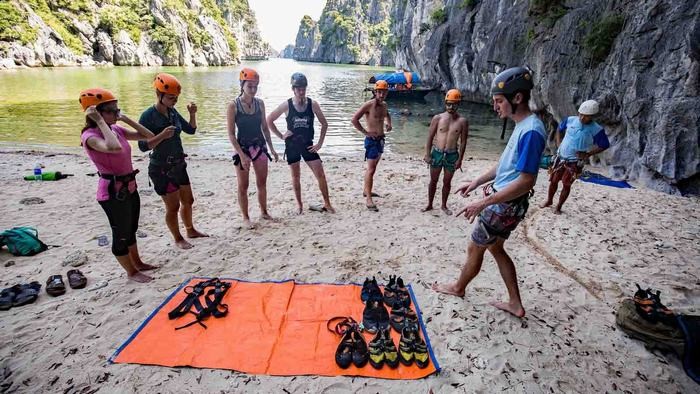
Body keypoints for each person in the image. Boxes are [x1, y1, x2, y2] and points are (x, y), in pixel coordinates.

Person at [432, 67, 547, 318]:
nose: (495, 106)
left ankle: (458, 288)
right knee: (496, 248)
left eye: (498, 101)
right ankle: (515, 303)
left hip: (505, 204)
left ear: (517, 98)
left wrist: (483, 203)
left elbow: (526, 181)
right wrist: (476, 182)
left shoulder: (530, 131)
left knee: (475, 248)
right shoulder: (524, 125)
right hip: (507, 202)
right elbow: (506, 165)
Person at [79, 88, 165, 283]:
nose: (115, 114)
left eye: (117, 110)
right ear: (95, 112)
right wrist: (100, 122)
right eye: (111, 111)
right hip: (112, 192)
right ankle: (131, 272)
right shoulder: (90, 136)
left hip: (130, 187)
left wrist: (124, 118)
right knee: (121, 234)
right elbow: (114, 147)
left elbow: (148, 135)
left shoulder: (116, 129)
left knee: (132, 228)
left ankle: (138, 263)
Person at [138, 73, 207, 250]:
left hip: (178, 164)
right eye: (170, 98)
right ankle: (178, 238)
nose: (174, 101)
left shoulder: (173, 112)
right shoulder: (148, 116)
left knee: (188, 200)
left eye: (176, 98)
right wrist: (161, 136)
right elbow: (142, 146)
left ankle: (190, 230)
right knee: (173, 206)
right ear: (158, 95)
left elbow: (190, 130)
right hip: (161, 167)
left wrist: (192, 114)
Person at [266, 72, 335, 214]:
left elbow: (324, 124)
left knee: (320, 174)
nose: (301, 92)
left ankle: (327, 204)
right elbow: (269, 120)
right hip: (292, 146)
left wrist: (320, 144)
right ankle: (299, 205)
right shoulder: (287, 105)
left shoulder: (312, 104)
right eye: (298, 89)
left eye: (303, 88)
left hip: (308, 145)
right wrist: (281, 136)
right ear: (293, 89)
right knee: (296, 176)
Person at [227, 67, 279, 229]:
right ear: (242, 85)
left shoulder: (260, 104)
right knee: (243, 185)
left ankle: (264, 211)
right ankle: (245, 217)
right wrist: (242, 155)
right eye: (250, 86)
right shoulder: (233, 106)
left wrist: (272, 148)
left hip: (260, 147)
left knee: (262, 182)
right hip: (242, 147)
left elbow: (265, 127)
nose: (253, 89)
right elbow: (231, 134)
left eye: (255, 86)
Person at [541, 99, 610, 214]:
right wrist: (558, 142)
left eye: (586, 116)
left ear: (592, 116)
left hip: (575, 161)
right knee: (553, 181)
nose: (582, 118)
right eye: (581, 114)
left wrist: (588, 154)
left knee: (566, 184)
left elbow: (604, 145)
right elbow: (559, 128)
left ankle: (558, 207)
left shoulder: (596, 129)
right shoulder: (570, 120)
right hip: (560, 157)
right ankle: (549, 200)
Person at [422, 89, 469, 215]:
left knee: (447, 182)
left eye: (454, 104)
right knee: (433, 180)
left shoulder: (462, 122)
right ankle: (430, 204)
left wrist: (460, 160)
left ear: (458, 104)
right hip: (437, 153)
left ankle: (444, 205)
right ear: (445, 103)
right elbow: (430, 137)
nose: (451, 107)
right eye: (448, 104)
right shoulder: (438, 118)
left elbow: (463, 142)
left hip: (452, 155)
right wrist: (427, 154)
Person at [351, 80, 393, 211]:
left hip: (381, 140)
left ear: (386, 93)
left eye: (384, 92)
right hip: (371, 141)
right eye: (379, 92)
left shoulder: (384, 105)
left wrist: (389, 123)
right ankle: (368, 199)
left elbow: (387, 114)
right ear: (375, 92)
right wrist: (365, 132)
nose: (381, 95)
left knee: (373, 168)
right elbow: (354, 119)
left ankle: (366, 191)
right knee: (371, 169)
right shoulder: (369, 105)